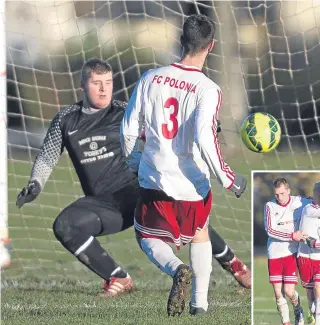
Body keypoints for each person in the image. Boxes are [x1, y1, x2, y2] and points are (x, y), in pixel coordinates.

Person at [16, 58, 250, 298]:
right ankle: (118, 277)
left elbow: (163, 128)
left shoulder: (123, 111)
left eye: (108, 82)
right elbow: (47, 155)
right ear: (82, 84)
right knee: (65, 225)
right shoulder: (66, 119)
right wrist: (36, 183)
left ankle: (235, 265)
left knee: (187, 214)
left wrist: (201, 125)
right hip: (105, 206)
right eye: (97, 83)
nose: (104, 89)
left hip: (140, 190)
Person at [121, 14, 247, 316]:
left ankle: (177, 269)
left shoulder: (150, 78)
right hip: (193, 186)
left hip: (155, 180)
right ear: (211, 46)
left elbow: (127, 130)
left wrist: (135, 163)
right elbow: (206, 138)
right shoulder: (208, 88)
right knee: (201, 230)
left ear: (181, 42)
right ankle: (200, 304)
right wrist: (229, 179)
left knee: (147, 235)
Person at [264, 177, 311, 325]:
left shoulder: (301, 202)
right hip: (274, 254)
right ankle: (286, 322)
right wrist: (292, 235)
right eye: (276, 194)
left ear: (288, 191)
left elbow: (316, 202)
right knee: (278, 293)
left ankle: (298, 311)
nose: (279, 197)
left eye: (282, 193)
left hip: (291, 253)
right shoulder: (269, 206)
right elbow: (270, 230)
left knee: (289, 292)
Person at [298, 182, 320, 325]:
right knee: (310, 293)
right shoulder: (309, 209)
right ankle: (312, 312)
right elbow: (307, 240)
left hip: (319, 257)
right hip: (305, 256)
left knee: (318, 286)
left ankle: (318, 320)